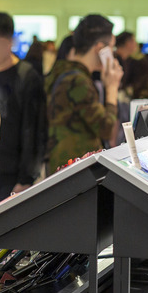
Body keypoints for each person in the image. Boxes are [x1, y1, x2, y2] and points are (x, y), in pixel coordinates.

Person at [0, 12, 43, 202]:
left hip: (12, 172)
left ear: (10, 42)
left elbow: (34, 128)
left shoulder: (27, 76)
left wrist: (26, 178)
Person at [44, 14, 123, 174]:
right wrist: (112, 89)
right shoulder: (78, 81)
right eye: (111, 48)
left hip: (65, 165)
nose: (113, 54)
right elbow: (106, 128)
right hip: (75, 169)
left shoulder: (62, 71)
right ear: (100, 48)